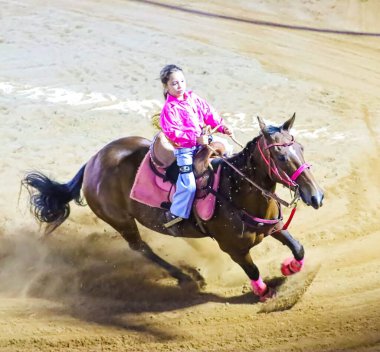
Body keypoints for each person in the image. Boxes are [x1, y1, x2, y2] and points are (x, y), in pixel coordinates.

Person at [159, 64, 233, 229]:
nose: (180, 86)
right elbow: (173, 133)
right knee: (189, 185)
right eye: (174, 83)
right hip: (185, 150)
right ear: (166, 86)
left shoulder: (193, 98)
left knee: (228, 150)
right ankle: (175, 215)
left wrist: (222, 127)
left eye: (182, 81)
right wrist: (195, 139)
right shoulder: (169, 109)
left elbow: (209, 114)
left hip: (204, 141)